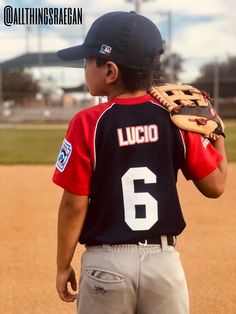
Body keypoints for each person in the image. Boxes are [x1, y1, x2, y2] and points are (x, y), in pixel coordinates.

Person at [52, 11, 227, 314]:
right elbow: (216, 186)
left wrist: (62, 264)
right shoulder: (177, 119)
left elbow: (73, 204)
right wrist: (217, 133)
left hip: (106, 263)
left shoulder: (88, 122)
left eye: (87, 61)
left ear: (110, 71)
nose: (84, 68)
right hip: (164, 264)